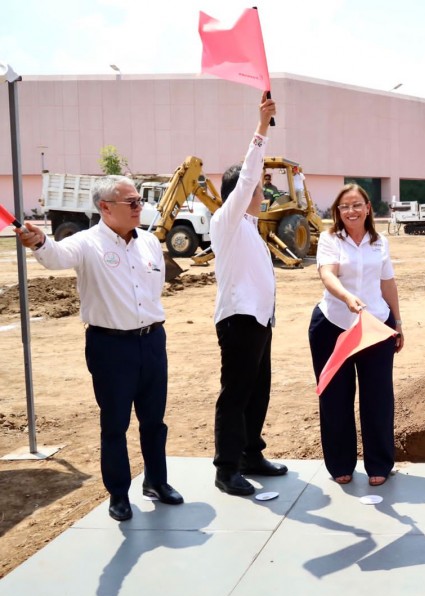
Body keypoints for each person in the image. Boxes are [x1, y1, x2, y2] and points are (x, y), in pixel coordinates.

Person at [14, 177, 184, 521]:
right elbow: (55, 256)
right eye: (131, 202)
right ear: (105, 208)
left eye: (139, 201)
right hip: (111, 347)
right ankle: (118, 494)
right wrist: (39, 241)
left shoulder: (149, 242)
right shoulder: (86, 243)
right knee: (115, 424)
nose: (139, 207)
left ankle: (156, 481)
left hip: (152, 341)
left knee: (154, 421)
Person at [211, 92, 287, 496]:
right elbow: (246, 177)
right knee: (236, 395)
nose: (262, 194)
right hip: (239, 321)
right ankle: (226, 469)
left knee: (259, 391)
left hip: (259, 322)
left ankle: (250, 455)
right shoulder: (227, 220)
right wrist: (261, 128)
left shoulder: (251, 230)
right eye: (258, 188)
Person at [308, 183, 404, 487]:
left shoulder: (379, 243)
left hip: (375, 326)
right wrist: (347, 298)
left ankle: (379, 463)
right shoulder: (329, 239)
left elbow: (387, 283)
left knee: (378, 398)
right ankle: (340, 463)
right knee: (335, 397)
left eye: (356, 205)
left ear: (368, 208)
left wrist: (398, 322)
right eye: (344, 206)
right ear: (338, 211)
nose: (351, 211)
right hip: (334, 325)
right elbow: (327, 274)